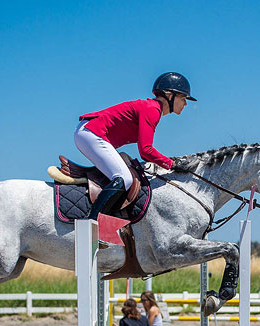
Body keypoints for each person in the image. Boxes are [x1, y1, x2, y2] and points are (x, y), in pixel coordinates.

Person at [74, 72, 197, 220]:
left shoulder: (152, 108)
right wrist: (173, 164)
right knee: (124, 178)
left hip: (90, 132)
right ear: (169, 95)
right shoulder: (152, 109)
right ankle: (91, 222)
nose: (185, 104)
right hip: (92, 132)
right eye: (183, 98)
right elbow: (146, 151)